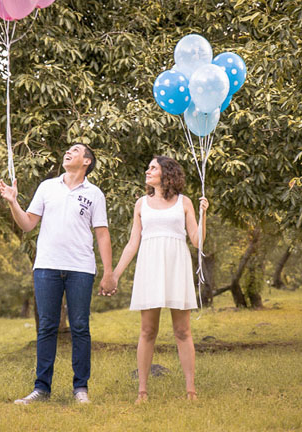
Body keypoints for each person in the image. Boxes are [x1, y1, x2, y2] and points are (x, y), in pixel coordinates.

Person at [0, 143, 117, 405]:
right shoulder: (47, 187)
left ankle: (81, 389)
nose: (68, 152)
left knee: (80, 327)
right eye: (67, 150)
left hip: (81, 268)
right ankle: (41, 389)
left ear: (87, 161)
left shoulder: (95, 194)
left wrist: (109, 272)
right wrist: (13, 202)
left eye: (75, 150)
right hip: (47, 266)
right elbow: (28, 224)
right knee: (47, 327)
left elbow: (102, 233)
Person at [113, 156, 208, 403]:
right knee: (147, 330)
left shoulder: (184, 202)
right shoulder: (141, 204)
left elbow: (197, 241)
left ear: (167, 172)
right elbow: (133, 243)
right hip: (150, 265)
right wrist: (115, 274)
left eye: (153, 167)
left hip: (177, 264)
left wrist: (203, 214)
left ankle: (191, 391)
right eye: (148, 167)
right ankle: (142, 391)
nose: (147, 171)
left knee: (182, 330)